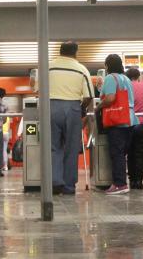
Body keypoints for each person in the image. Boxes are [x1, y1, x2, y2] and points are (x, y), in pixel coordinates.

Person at [49, 41, 94, 195]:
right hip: (73, 108)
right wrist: (80, 109)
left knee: (53, 147)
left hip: (51, 107)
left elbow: (38, 89)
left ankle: (55, 182)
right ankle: (68, 186)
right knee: (71, 148)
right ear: (76, 52)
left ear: (60, 51)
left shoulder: (48, 67)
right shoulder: (82, 69)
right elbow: (89, 95)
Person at [97, 54, 138, 195]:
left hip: (117, 120)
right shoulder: (126, 78)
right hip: (130, 119)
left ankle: (119, 184)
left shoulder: (110, 78)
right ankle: (121, 182)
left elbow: (110, 98)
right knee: (122, 153)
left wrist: (99, 106)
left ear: (107, 66)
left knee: (117, 153)